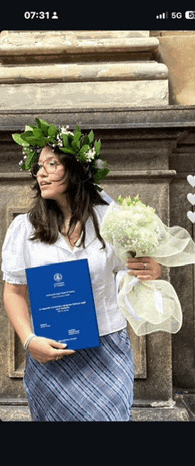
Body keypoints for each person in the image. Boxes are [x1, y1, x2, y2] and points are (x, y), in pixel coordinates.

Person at [2, 119, 161, 421]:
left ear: (77, 169)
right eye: (38, 167)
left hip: (107, 352)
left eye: (51, 163)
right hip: (49, 355)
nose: (41, 172)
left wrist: (150, 268)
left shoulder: (111, 219)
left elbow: (137, 271)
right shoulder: (24, 228)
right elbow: (14, 292)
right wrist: (29, 340)